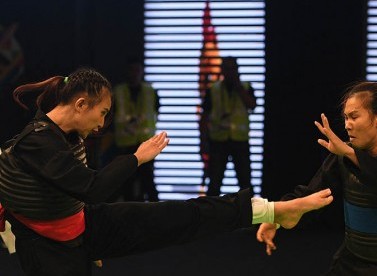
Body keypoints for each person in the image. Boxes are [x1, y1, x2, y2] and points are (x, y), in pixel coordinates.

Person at [0, 67, 334, 276]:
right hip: (50, 249)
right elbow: (92, 188)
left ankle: (272, 210)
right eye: (101, 113)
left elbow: (74, 195)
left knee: (178, 216)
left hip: (82, 228)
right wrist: (137, 158)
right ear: (81, 105)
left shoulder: (66, 134)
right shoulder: (36, 142)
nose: (102, 124)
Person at [256, 82, 377, 275]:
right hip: (354, 262)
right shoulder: (344, 156)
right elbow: (312, 195)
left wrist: (349, 153)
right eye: (346, 118)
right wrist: (277, 216)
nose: (347, 125)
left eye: (354, 117)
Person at [201, 56, 256, 196]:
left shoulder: (246, 87)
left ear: (238, 70)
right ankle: (210, 215)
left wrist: (239, 87)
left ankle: (250, 215)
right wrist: (203, 140)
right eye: (227, 68)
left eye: (233, 69)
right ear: (222, 70)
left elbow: (252, 105)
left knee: (245, 182)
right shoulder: (213, 89)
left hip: (240, 140)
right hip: (218, 141)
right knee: (214, 182)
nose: (230, 72)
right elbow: (204, 117)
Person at [112, 57, 160, 201]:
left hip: (146, 144)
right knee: (127, 184)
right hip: (125, 145)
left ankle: (156, 214)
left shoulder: (150, 91)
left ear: (142, 72)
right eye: (131, 70)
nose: (134, 74)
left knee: (148, 182)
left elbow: (155, 113)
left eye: (137, 70)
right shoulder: (117, 92)